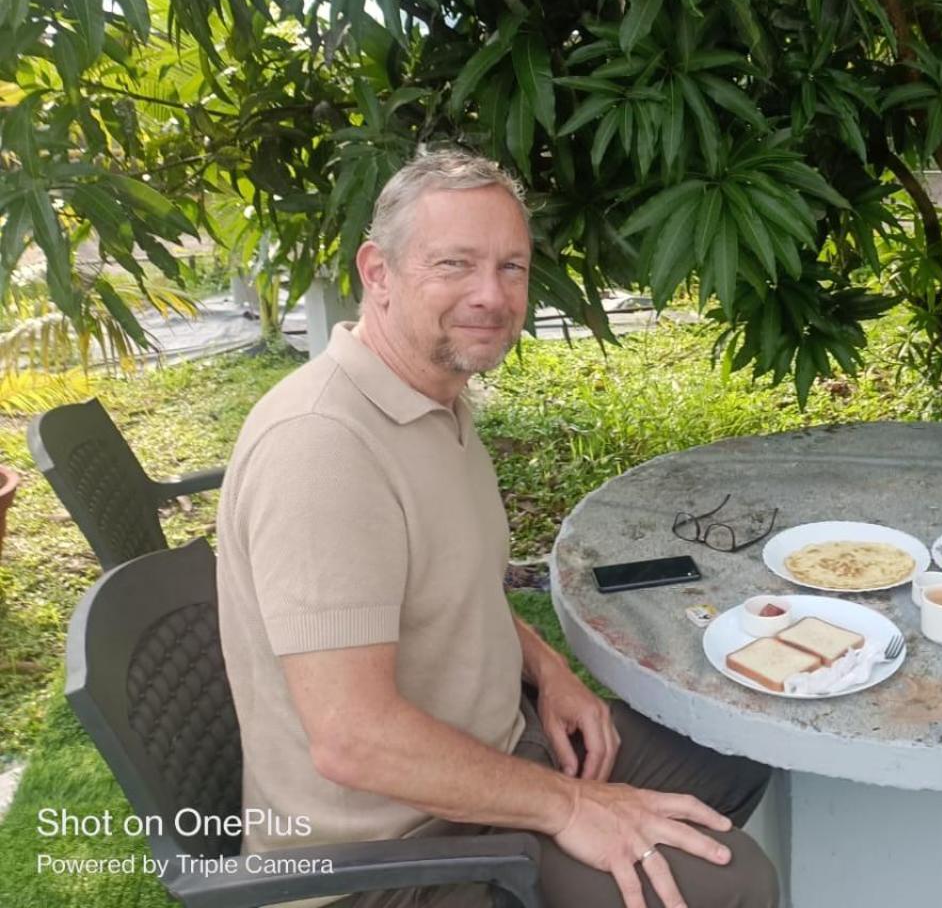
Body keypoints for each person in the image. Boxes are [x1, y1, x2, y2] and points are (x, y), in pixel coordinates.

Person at [217, 149, 778, 908]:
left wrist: (548, 672)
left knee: (738, 750)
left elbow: (451, 589)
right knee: (735, 881)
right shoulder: (324, 448)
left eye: (511, 268)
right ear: (378, 272)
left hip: (495, 750)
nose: (491, 295)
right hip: (387, 854)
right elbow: (353, 737)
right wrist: (573, 806)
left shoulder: (435, 396)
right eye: (455, 264)